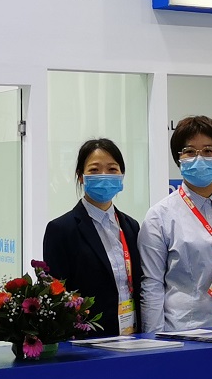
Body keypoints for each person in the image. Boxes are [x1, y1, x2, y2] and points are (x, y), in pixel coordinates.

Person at [139, 115, 212, 332]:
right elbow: (152, 284)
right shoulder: (160, 216)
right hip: (185, 332)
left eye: (208, 151)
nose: (199, 158)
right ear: (178, 158)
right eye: (190, 151)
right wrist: (154, 340)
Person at [41, 138, 143, 337]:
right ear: (81, 176)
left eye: (112, 169)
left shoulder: (131, 226)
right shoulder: (61, 229)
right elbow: (57, 296)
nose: (104, 176)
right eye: (95, 170)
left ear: (121, 176)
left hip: (132, 335)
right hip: (87, 340)